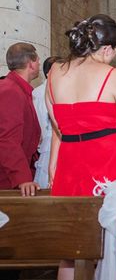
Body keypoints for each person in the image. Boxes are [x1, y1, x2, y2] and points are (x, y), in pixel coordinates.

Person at [46, 14, 116, 280]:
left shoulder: (55, 72)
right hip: (110, 163)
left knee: (69, 251)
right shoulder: (113, 76)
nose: (115, 56)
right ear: (106, 49)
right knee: (111, 247)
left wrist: (55, 165)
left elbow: (57, 128)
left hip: (69, 161)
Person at [0, 42, 42, 280]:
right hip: (6, 178)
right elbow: (7, 139)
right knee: (7, 233)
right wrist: (22, 178)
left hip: (11, 174)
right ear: (31, 61)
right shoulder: (9, 91)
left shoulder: (19, 90)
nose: (38, 64)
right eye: (37, 60)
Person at [33, 56, 64, 189]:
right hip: (48, 142)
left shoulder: (60, 90)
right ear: (49, 73)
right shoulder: (39, 93)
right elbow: (39, 120)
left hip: (56, 142)